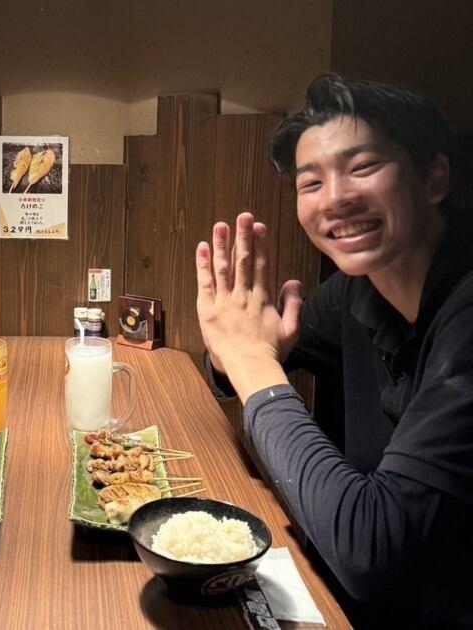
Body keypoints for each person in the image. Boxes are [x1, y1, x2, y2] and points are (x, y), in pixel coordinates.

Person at [196, 73, 473, 627]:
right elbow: (238, 365)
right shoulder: (358, 291)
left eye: (363, 167)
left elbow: (367, 548)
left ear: (434, 177)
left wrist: (253, 362)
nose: (336, 198)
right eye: (310, 182)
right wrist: (233, 353)